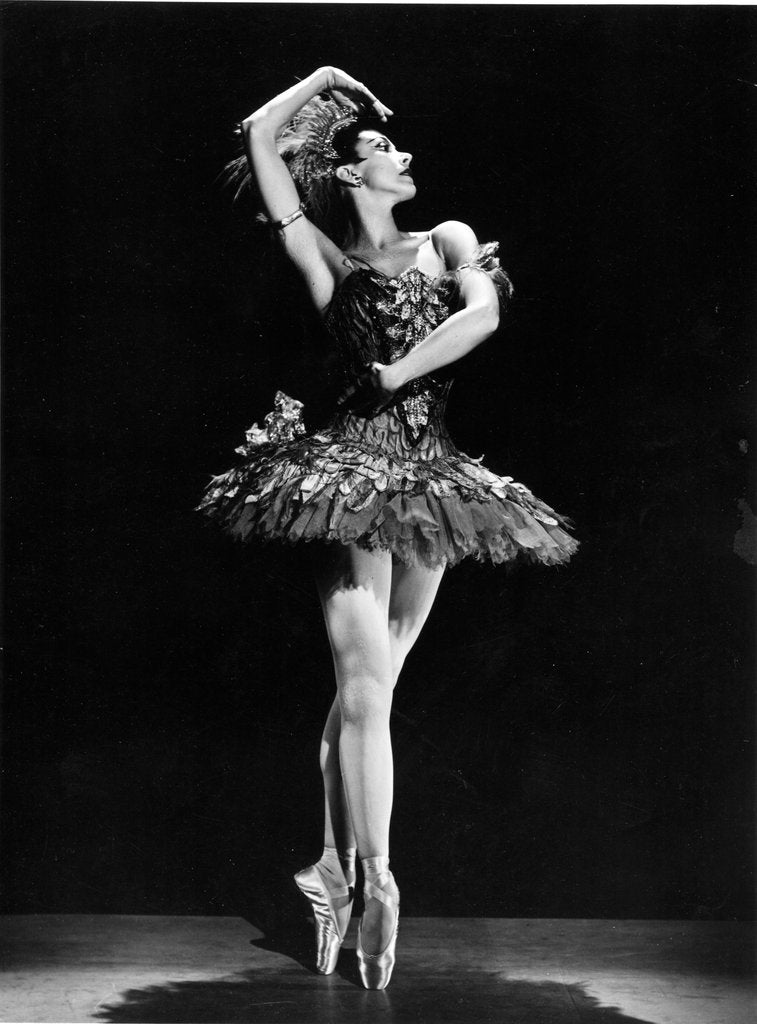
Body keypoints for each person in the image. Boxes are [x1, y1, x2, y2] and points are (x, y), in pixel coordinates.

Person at [199, 66, 578, 989]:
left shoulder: (444, 236)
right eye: (381, 146)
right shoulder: (325, 260)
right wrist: (326, 80)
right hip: (345, 477)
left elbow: (481, 316)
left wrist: (399, 371)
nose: (400, 151)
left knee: (373, 682)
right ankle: (375, 881)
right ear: (350, 174)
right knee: (367, 688)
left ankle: (324, 869)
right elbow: (259, 135)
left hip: (430, 476)